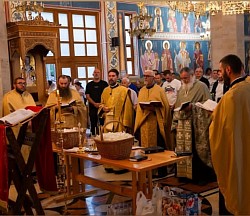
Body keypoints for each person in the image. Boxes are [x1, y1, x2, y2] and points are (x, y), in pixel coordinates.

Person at [209, 54, 250, 215]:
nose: (220, 74)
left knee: (237, 185)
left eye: (220, 71)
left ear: (228, 69)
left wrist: (213, 117)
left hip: (237, 151)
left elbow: (217, 132)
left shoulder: (230, 97)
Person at [172, 67, 215, 184]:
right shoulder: (181, 89)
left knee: (195, 151)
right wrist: (175, 122)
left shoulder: (202, 86)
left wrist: (193, 106)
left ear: (192, 76)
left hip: (196, 125)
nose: (184, 80)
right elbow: (177, 105)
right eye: (182, 78)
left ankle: (198, 177)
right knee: (183, 150)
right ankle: (184, 175)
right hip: (182, 125)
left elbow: (209, 104)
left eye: (186, 78)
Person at [134, 69, 171, 150]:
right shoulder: (142, 90)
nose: (145, 78)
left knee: (157, 145)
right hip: (143, 121)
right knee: (144, 146)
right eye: (144, 76)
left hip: (156, 121)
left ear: (153, 78)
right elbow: (139, 107)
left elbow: (165, 107)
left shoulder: (159, 90)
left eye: (147, 76)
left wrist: (155, 109)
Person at [98, 68, 134, 133]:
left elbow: (127, 108)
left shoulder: (123, 90)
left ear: (117, 77)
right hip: (107, 120)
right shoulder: (105, 90)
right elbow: (101, 104)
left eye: (113, 76)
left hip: (119, 121)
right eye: (109, 76)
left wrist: (126, 124)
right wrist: (103, 108)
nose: (111, 78)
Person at [85, 68, 108, 136]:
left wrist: (101, 104)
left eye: (98, 72)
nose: (96, 74)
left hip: (102, 106)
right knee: (93, 121)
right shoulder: (89, 84)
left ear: (100, 74)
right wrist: (94, 103)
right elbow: (87, 96)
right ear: (93, 74)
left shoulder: (104, 84)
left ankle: (103, 135)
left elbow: (107, 94)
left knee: (102, 121)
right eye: (95, 72)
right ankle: (93, 135)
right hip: (92, 106)